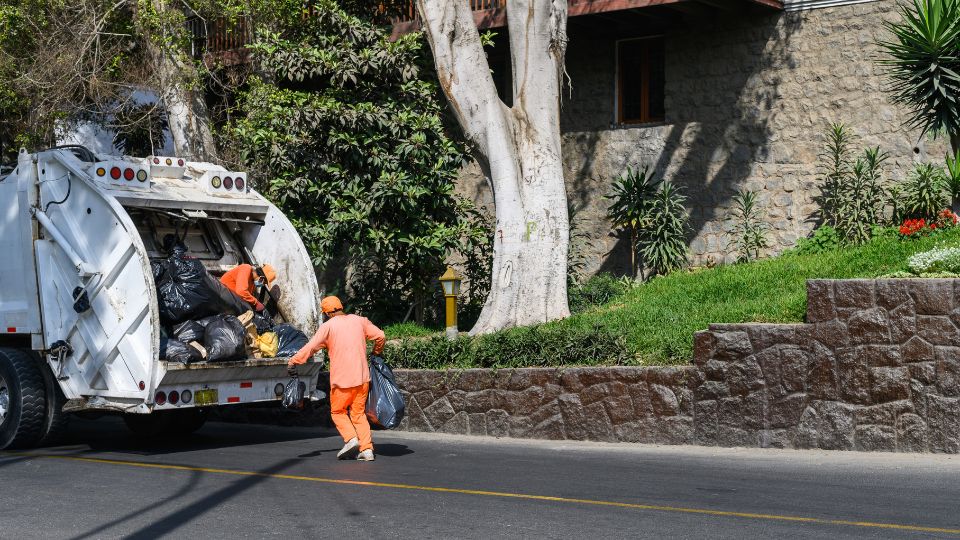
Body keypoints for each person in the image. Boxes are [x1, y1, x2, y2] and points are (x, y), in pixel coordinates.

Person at [287, 296, 385, 462]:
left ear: (326, 313)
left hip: (342, 381)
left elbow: (310, 347)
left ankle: (350, 439)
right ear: (341, 307)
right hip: (362, 379)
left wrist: (293, 361)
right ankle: (367, 449)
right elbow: (380, 336)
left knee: (338, 412)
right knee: (358, 414)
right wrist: (376, 352)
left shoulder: (328, 326)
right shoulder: (359, 320)